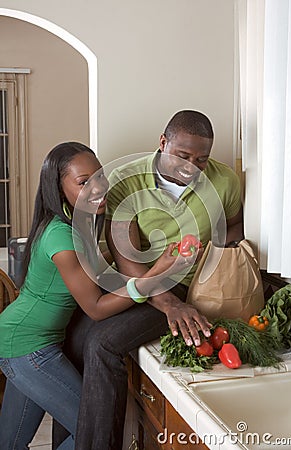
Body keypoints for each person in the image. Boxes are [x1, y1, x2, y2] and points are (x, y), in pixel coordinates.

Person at [52, 110, 244, 449]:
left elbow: (237, 225)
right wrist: (170, 304)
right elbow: (128, 262)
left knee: (103, 344)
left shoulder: (224, 180)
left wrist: (210, 249)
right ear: (163, 143)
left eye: (201, 159)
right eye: (183, 156)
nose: (192, 167)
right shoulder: (126, 180)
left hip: (188, 283)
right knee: (76, 339)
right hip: (141, 279)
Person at [0, 141, 201, 450]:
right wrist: (155, 275)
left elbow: (100, 277)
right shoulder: (61, 237)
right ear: (59, 187)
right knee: (94, 431)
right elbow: (95, 307)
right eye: (84, 182)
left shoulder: (82, 224)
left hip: (26, 341)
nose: (98, 187)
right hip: (27, 348)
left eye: (100, 176)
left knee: (10, 443)